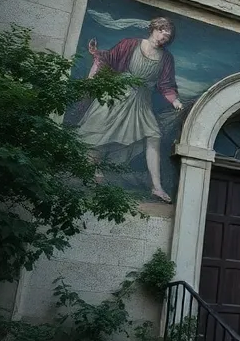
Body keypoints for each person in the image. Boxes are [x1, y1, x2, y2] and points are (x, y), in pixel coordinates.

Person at [76, 17, 184, 202]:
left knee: (154, 136)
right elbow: (110, 59)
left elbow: (166, 84)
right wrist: (96, 53)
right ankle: (95, 171)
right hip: (117, 95)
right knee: (99, 133)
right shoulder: (130, 44)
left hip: (141, 102)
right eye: (161, 32)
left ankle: (157, 187)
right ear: (153, 29)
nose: (163, 37)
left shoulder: (166, 58)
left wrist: (175, 101)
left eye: (167, 36)